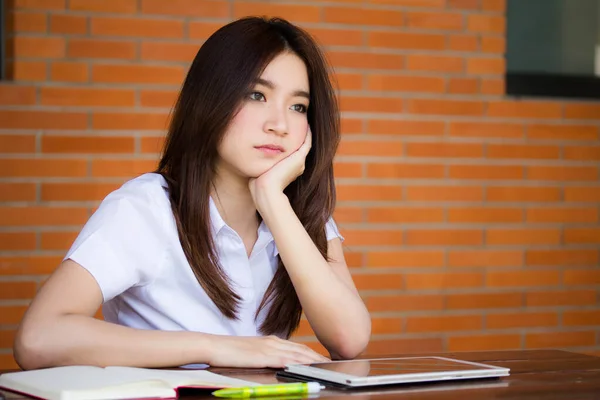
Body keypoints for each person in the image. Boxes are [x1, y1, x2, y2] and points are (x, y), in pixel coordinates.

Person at [13, 16, 371, 370]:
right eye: (256, 95)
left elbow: (348, 339)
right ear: (211, 101)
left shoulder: (299, 212)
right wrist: (215, 348)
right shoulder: (145, 208)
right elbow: (38, 338)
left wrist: (273, 201)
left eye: (298, 107)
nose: (279, 124)